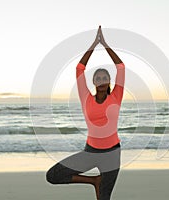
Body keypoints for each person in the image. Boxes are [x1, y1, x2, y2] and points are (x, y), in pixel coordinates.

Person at [46, 25, 125, 200]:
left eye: (105, 77)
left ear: (110, 81)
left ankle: (99, 184)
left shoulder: (116, 97)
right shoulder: (86, 97)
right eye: (98, 78)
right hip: (90, 152)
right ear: (94, 82)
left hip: (112, 154)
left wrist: (104, 44)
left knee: (104, 198)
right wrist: (93, 45)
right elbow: (79, 68)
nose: (102, 80)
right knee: (53, 176)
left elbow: (120, 66)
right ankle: (93, 181)